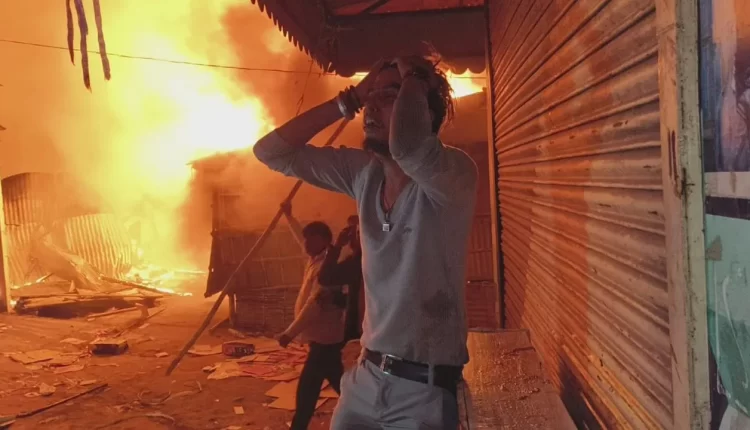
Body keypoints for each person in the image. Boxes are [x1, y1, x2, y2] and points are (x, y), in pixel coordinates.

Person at [254, 55, 477, 429]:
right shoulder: (364, 175)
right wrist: (349, 99)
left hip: (423, 394)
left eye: (390, 95)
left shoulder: (452, 174)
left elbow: (408, 147)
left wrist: (417, 76)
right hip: (365, 377)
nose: (371, 106)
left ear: (424, 109)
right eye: (371, 96)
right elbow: (271, 152)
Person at [276, 201, 346, 430]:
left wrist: (289, 333)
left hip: (324, 341)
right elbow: (300, 238)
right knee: (341, 386)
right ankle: (369, 416)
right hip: (325, 341)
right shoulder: (315, 259)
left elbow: (314, 305)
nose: (305, 244)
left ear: (325, 241)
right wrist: (289, 216)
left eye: (311, 240)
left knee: (306, 393)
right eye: (306, 240)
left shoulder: (327, 267)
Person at [318, 216, 364, 342]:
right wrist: (336, 297)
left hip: (366, 333)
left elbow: (325, 277)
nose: (350, 236)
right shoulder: (357, 262)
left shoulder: (359, 262)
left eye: (355, 231)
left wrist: (337, 246)